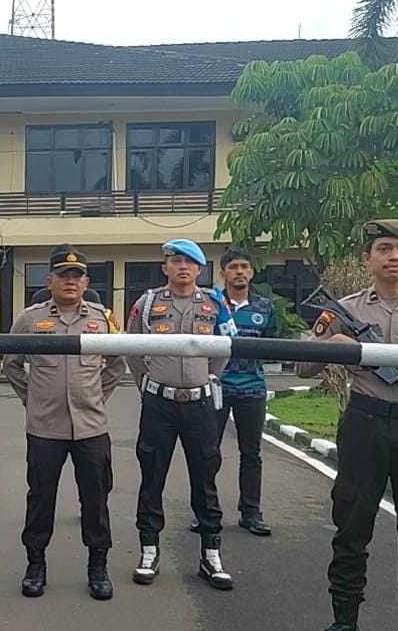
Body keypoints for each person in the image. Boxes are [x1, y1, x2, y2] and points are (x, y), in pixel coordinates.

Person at [296, 219, 398, 631]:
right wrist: (332, 345)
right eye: (384, 248)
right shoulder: (346, 309)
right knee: (351, 526)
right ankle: (344, 620)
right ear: (368, 258)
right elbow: (302, 367)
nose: (394, 256)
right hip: (364, 424)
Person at [3, 247, 126, 601]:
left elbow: (117, 363)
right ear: (49, 281)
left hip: (91, 427)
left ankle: (98, 566)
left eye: (77, 276)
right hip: (45, 428)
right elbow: (11, 363)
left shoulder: (104, 319)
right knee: (41, 498)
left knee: (96, 499)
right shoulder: (30, 319)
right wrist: (32, 398)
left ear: (86, 282)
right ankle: (35, 565)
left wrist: (96, 396)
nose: (70, 281)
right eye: (63, 275)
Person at [125, 238, 236, 591]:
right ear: (165, 267)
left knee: (205, 479)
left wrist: (207, 378)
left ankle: (211, 554)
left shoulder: (216, 303)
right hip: (159, 403)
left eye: (189, 262)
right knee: (152, 476)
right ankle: (148, 550)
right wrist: (145, 381)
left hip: (200, 405)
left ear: (200, 269)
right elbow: (131, 347)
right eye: (176, 261)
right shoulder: (147, 303)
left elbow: (225, 348)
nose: (183, 267)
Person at [213, 247, 277, 536]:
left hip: (252, 389)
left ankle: (251, 513)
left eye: (244, 267)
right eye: (233, 267)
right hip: (217, 388)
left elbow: (271, 344)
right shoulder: (212, 304)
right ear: (223, 272)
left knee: (251, 453)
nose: (239, 271)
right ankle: (207, 511)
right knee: (208, 452)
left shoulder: (265, 307)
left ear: (251, 272)